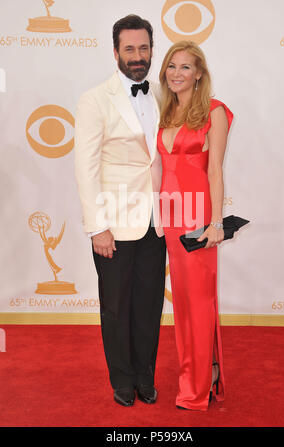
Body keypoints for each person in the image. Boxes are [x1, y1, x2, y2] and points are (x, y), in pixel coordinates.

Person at [74, 15, 166, 407]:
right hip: (113, 223)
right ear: (115, 52)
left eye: (143, 48)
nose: (137, 56)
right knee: (116, 307)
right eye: (129, 49)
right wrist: (98, 227)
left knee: (149, 305)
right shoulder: (95, 99)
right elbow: (86, 167)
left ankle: (146, 374)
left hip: (155, 222)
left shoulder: (163, 94)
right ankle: (123, 379)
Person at [157, 41, 233, 411]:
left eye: (185, 67)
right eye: (172, 66)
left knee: (198, 303)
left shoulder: (214, 112)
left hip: (197, 217)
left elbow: (215, 169)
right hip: (168, 217)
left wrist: (216, 222)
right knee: (184, 305)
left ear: (199, 73)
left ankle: (196, 387)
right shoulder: (164, 111)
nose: (177, 73)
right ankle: (205, 371)